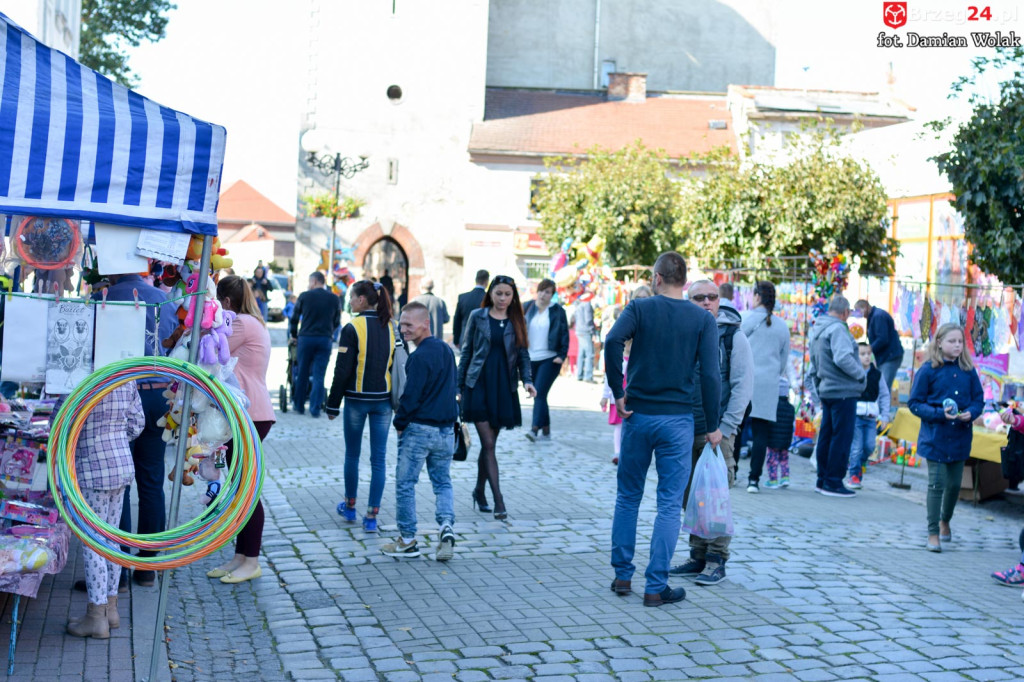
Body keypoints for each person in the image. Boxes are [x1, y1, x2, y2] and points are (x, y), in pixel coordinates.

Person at [605, 252, 721, 608]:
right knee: (669, 504)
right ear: (685, 282)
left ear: (656, 278)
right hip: (678, 420)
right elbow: (711, 375)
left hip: (638, 415)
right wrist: (713, 425)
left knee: (628, 497)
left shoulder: (640, 310)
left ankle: (623, 575)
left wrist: (618, 392)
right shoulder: (702, 318)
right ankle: (656, 586)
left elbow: (611, 342)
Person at [670, 279, 753, 586]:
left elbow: (743, 386)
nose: (706, 302)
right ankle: (697, 556)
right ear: (688, 300)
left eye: (712, 297)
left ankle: (717, 559)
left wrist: (726, 428)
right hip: (684, 427)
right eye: (699, 297)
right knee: (691, 496)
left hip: (718, 432)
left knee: (715, 496)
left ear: (720, 300)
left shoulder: (733, 336)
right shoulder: (682, 331)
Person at [99, 272, 177, 588]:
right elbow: (172, 339)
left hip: (120, 393)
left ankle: (117, 569)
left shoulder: (104, 297)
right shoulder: (162, 297)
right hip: (159, 394)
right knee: (151, 478)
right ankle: (147, 568)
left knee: (120, 480)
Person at [205, 276, 275, 583]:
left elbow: (208, 351)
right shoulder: (251, 320)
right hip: (247, 413)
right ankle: (241, 556)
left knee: (247, 489)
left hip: (251, 415)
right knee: (238, 486)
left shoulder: (241, 323)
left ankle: (252, 560)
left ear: (227, 303)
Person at [62, 383, 144, 638]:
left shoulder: (77, 380)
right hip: (120, 465)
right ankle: (111, 610)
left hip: (92, 468)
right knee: (110, 538)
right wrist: (114, 436)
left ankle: (96, 616)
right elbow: (137, 423)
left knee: (93, 542)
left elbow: (60, 423)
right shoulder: (124, 378)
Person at [382, 302, 459, 560]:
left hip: (419, 430)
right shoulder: (446, 351)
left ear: (425, 324)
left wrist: (399, 424)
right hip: (445, 431)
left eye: (408, 325)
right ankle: (446, 526)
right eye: (401, 324)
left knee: (405, 484)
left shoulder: (418, 357)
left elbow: (410, 397)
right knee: (442, 482)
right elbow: (453, 387)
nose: (403, 329)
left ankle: (407, 540)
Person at [458, 275, 537, 520]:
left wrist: (528, 381)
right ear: (490, 293)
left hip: (504, 387)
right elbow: (467, 351)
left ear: (513, 297)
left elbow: (523, 353)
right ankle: (498, 500)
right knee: (489, 444)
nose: (503, 298)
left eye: (507, 294)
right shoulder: (477, 316)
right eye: (499, 293)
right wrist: (458, 387)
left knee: (488, 445)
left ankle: (479, 491)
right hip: (478, 383)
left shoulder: (516, 320)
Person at [326, 280, 397, 533]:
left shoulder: (352, 327)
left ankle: (350, 506)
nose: (350, 301)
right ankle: (371, 516)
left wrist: (332, 404)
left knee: (352, 455)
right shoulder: (391, 326)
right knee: (378, 459)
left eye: (352, 297)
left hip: (356, 399)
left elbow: (342, 369)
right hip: (383, 400)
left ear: (362, 300)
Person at [908, 323, 983, 552]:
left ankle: (945, 520)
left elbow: (978, 399)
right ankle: (932, 533)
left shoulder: (968, 370)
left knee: (953, 486)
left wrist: (972, 412)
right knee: (936, 484)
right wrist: (939, 414)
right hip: (935, 437)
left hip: (960, 437)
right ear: (939, 342)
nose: (957, 345)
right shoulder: (928, 369)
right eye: (952, 341)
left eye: (960, 341)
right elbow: (914, 403)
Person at [807, 296, 867, 498]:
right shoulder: (839, 329)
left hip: (826, 389)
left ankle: (822, 479)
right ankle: (833, 482)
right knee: (841, 438)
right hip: (843, 390)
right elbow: (843, 357)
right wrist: (860, 374)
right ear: (846, 312)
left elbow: (814, 363)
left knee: (826, 435)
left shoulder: (817, 329)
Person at [741, 281, 791, 493]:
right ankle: (754, 479)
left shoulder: (745, 319)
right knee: (761, 433)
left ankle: (730, 474)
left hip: (744, 380)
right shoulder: (782, 326)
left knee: (737, 428)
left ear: (757, 297)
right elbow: (783, 359)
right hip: (768, 384)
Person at [601, 287, 653, 463]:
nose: (642, 301)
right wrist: (607, 394)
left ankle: (634, 453)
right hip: (623, 389)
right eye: (638, 297)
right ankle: (619, 453)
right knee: (621, 424)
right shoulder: (627, 322)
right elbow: (612, 363)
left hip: (644, 388)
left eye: (646, 298)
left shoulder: (655, 323)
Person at [523, 279, 569, 442]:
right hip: (530, 357)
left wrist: (562, 355)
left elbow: (564, 334)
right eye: (542, 290)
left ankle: (534, 429)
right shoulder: (527, 308)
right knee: (541, 394)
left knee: (539, 393)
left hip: (550, 358)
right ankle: (546, 428)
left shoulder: (557, 311)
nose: (543, 294)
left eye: (548, 292)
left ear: (552, 295)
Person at [289, 271, 340, 417]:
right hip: (324, 339)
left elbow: (294, 318)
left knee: (302, 372)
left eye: (310, 281)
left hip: (306, 338)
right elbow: (337, 321)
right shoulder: (334, 299)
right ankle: (315, 408)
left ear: (315, 281)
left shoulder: (305, 296)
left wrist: (294, 335)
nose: (308, 284)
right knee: (319, 375)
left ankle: (299, 405)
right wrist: (329, 332)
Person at [846, 342, 891, 490]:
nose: (866, 357)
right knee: (857, 447)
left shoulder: (877, 374)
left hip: (871, 418)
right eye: (862, 354)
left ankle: (859, 464)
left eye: (868, 353)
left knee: (869, 446)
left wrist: (885, 416)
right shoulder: (852, 373)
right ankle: (853, 475)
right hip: (856, 416)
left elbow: (884, 395)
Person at [855, 299, 904, 396]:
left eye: (859, 311)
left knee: (884, 387)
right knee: (880, 385)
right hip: (885, 356)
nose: (858, 315)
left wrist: (868, 350)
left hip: (890, 357)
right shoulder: (873, 316)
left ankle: (884, 410)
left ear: (865, 307)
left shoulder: (878, 316)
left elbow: (882, 339)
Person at [452, 269, 488, 346]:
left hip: (464, 336)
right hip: (482, 338)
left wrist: (456, 339)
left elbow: (457, 320)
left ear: (476, 280)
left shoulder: (463, 297)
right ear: (486, 282)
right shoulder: (489, 298)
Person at [572, 298, 597, 382]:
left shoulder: (578, 304)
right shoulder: (586, 304)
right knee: (590, 354)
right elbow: (588, 320)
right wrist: (593, 332)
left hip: (579, 330)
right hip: (586, 331)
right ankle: (588, 376)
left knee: (581, 354)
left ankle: (580, 375)